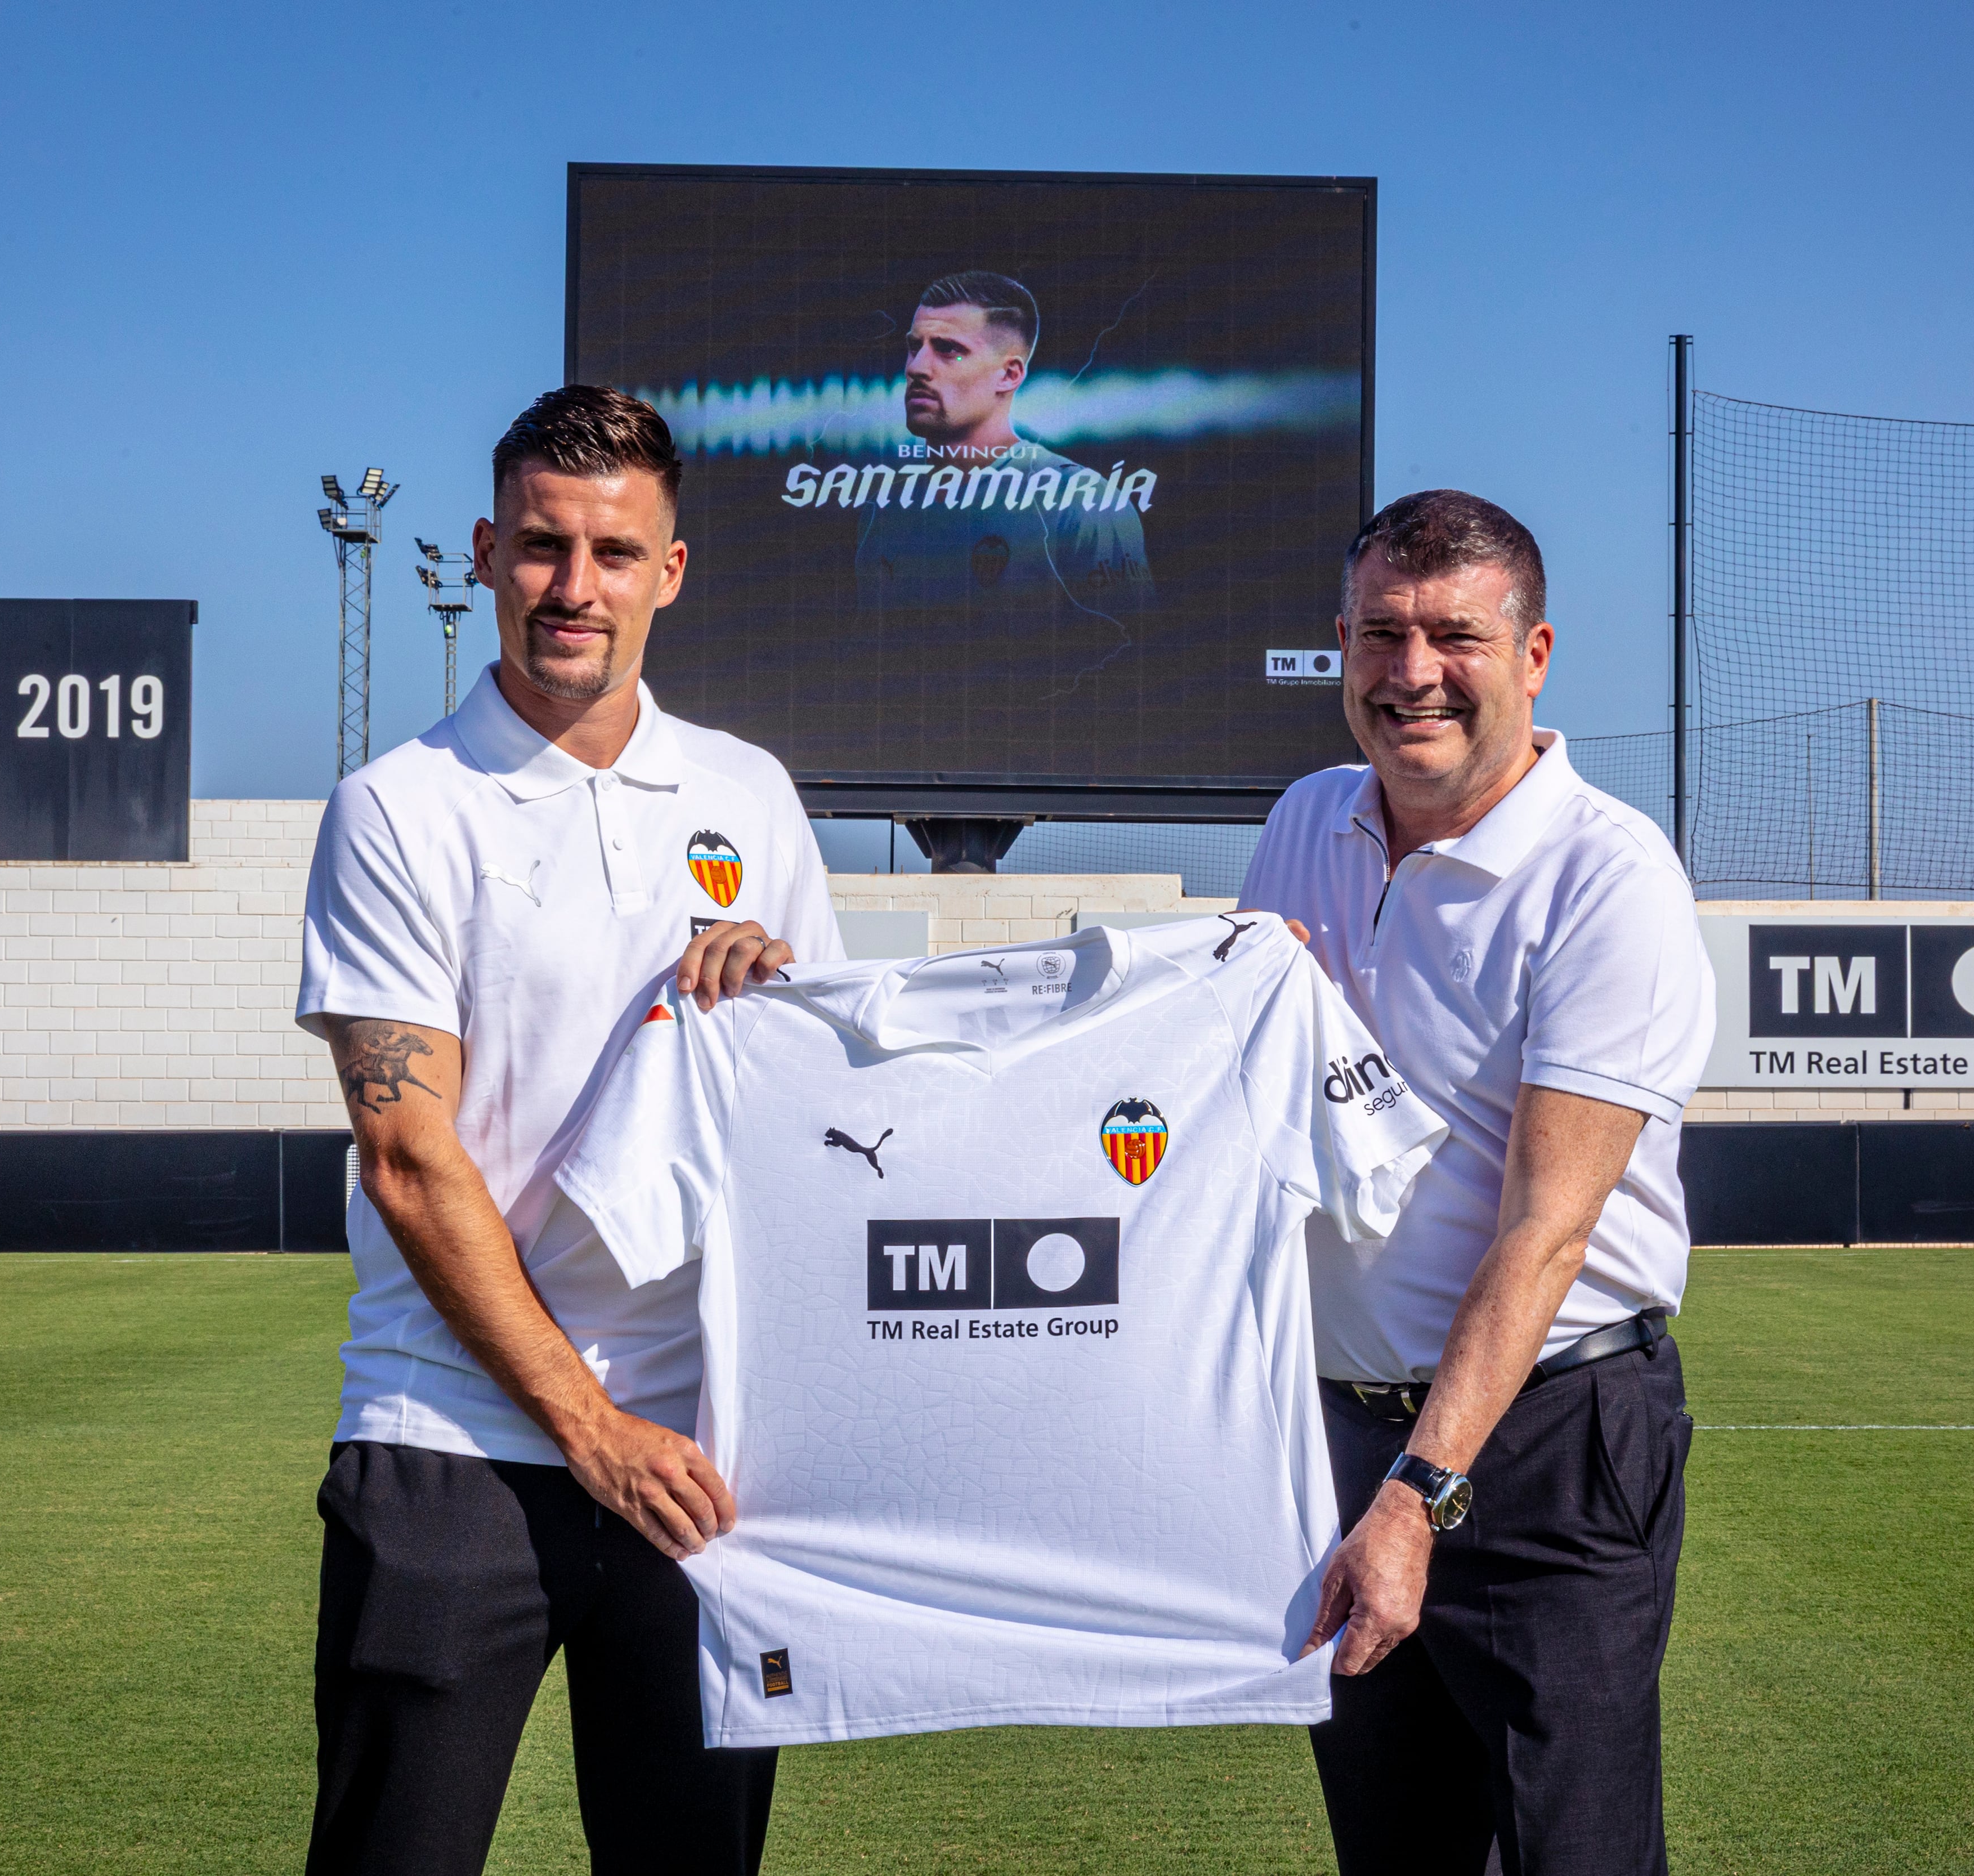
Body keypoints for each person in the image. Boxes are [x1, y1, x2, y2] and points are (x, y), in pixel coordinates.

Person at [293, 385, 842, 1875]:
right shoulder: (399, 809)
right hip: (453, 1441)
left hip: (700, 1455)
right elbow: (409, 1155)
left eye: (612, 551)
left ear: (672, 569)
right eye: (542, 545)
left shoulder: (753, 795)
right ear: (484, 550)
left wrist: (779, 1008)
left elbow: (829, 1127)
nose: (573, 585)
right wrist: (589, 1429)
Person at [1238, 490, 1716, 1875]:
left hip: (1546, 1448)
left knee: (1578, 1858)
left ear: (1535, 654)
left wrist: (1415, 1495)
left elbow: (1546, 1231)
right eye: (1382, 635)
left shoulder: (1605, 877)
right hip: (1342, 1433)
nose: (1412, 674)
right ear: (1341, 644)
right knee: (1393, 1855)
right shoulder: (1305, 821)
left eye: (1454, 636)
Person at [852, 271, 1152, 669]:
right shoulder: (883, 503)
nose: (916, 367)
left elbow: (1133, 665)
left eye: (948, 349)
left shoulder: (1082, 504)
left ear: (1009, 374)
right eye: (914, 347)